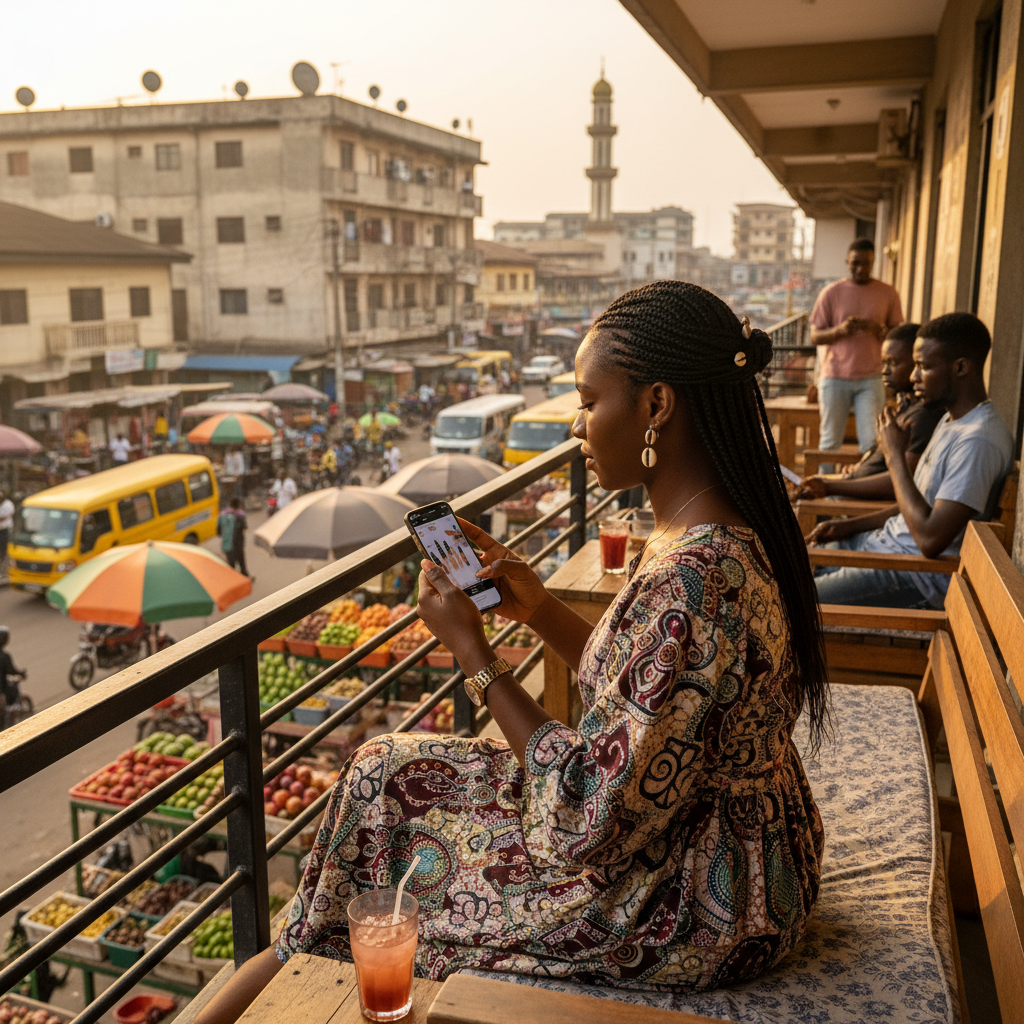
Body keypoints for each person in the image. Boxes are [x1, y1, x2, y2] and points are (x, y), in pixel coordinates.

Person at [194, 282, 828, 1023]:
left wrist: (476, 656)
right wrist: (536, 607)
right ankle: (300, 947)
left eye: (589, 402)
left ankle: (296, 958)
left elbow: (585, 821)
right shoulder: (712, 537)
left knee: (381, 798)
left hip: (692, 898)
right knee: (384, 773)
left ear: (657, 405)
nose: (577, 427)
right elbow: (651, 699)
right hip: (734, 846)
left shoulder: (692, 581)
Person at [810, 312, 1014, 609]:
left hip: (915, 576)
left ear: (960, 368)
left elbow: (930, 539)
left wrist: (894, 457)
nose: (913, 377)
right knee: (790, 566)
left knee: (787, 601)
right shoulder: (951, 420)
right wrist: (848, 526)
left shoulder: (977, 441)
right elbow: (918, 505)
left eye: (924, 367)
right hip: (888, 549)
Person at [796, 323, 945, 501]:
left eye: (893, 363)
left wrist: (830, 487)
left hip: (855, 502)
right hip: (847, 489)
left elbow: (902, 482)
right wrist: (859, 466)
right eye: (884, 363)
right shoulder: (906, 406)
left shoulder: (924, 417)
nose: (884, 371)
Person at [810, 238, 903, 464]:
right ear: (847, 262)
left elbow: (898, 334)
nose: (860, 268)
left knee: (871, 442)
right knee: (830, 441)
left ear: (873, 263)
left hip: (871, 377)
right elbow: (815, 335)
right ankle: (826, 494)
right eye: (855, 263)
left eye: (866, 264)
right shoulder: (831, 292)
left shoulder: (887, 293)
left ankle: (861, 490)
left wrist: (878, 330)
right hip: (834, 377)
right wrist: (840, 331)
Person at [0, 626, 27, 726]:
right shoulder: (4, 656)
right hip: (1, 691)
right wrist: (21, 673)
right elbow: (12, 670)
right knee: (3, 718)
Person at [217, 498, 250, 578]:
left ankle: (234, 581)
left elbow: (218, 531)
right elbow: (244, 527)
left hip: (227, 543)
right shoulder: (240, 515)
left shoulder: (222, 515)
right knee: (241, 561)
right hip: (238, 542)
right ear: (239, 505)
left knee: (231, 564)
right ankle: (245, 577)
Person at [0, 493, 13, 573]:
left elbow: (4, 516)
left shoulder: (8, 505)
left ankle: (2, 563)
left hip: (4, 529)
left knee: (3, 547)